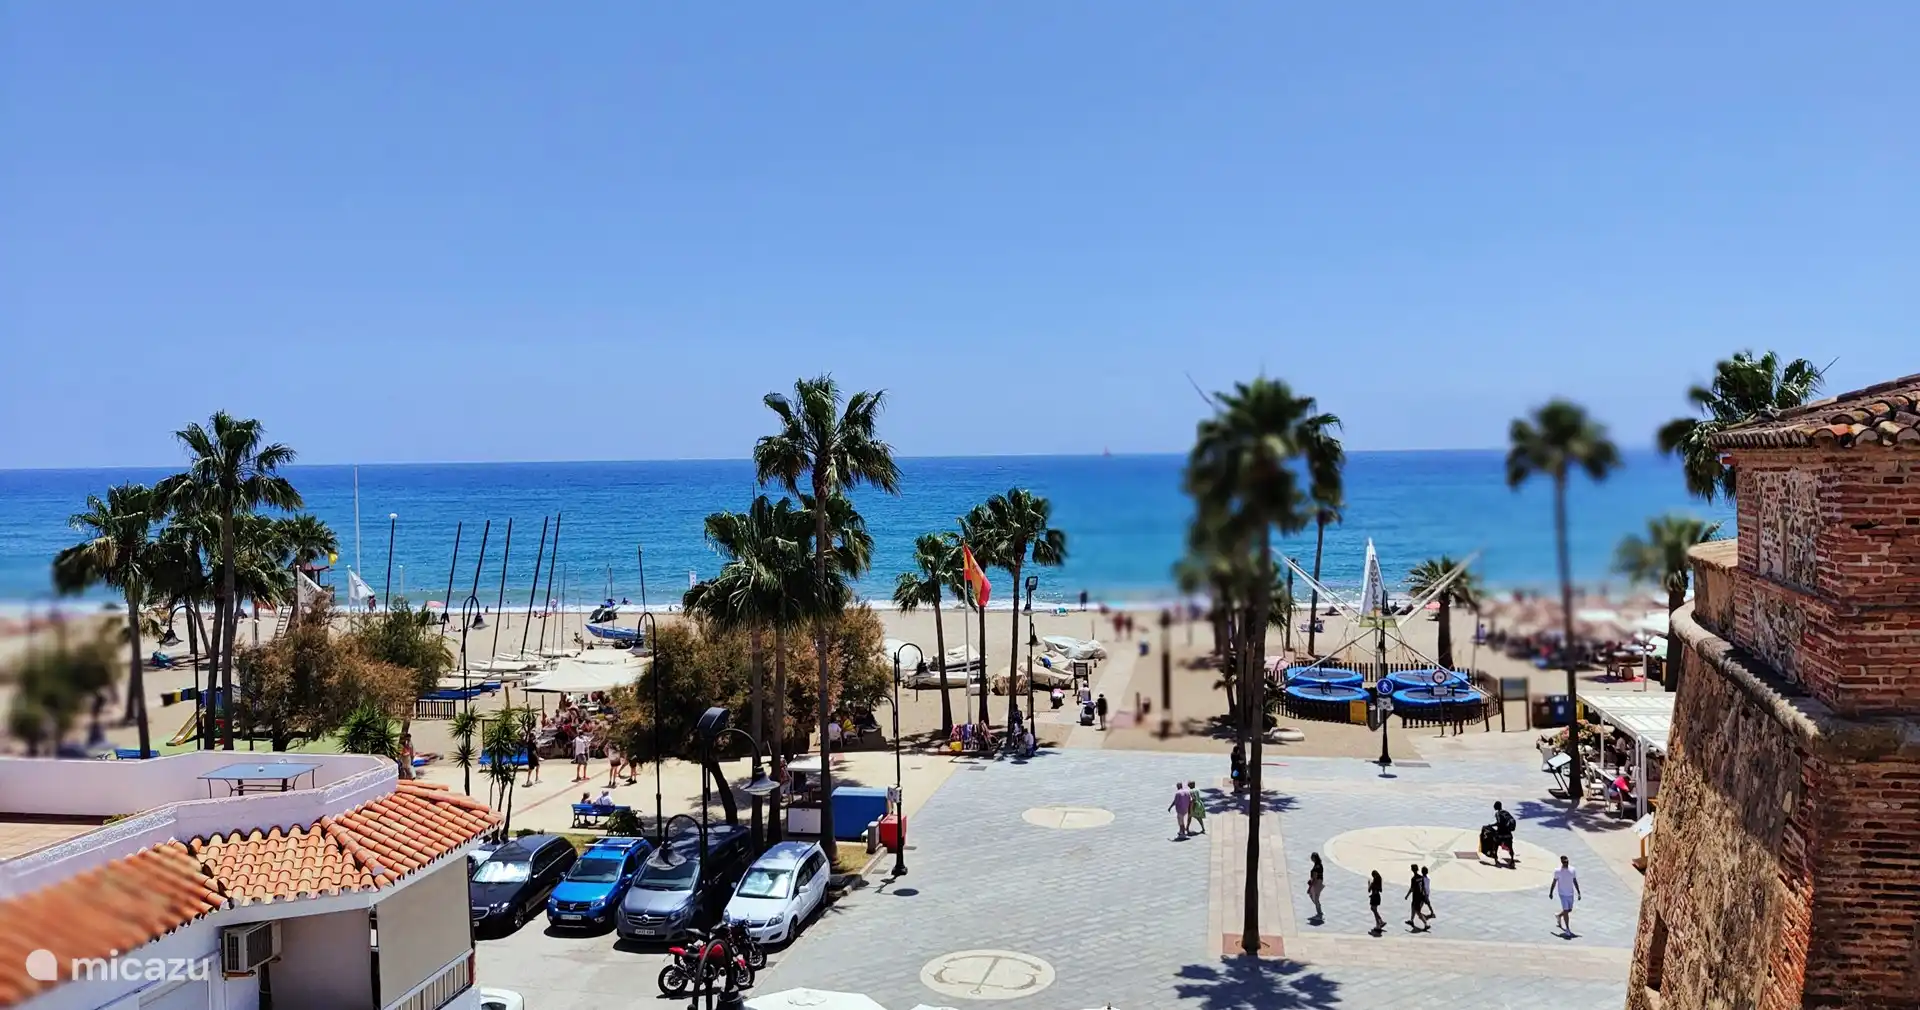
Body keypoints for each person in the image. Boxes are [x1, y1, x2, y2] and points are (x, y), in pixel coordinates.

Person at [1550, 855, 1582, 934]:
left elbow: (1574, 881)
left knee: (1569, 910)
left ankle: (1559, 916)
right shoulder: (1558, 871)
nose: (1566, 863)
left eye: (1567, 861)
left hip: (1570, 893)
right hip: (1562, 893)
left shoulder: (1572, 870)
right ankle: (1567, 929)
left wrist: (1578, 892)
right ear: (1562, 862)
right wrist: (1551, 892)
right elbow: (1554, 882)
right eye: (1564, 862)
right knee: (1566, 911)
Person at [1405, 864, 1426, 931]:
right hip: (1421, 896)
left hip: (1416, 897)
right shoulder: (1421, 877)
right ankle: (1411, 920)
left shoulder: (1413, 879)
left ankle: (1426, 924)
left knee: (1417, 911)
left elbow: (1412, 889)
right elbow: (1423, 887)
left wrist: (1407, 895)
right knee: (1413, 907)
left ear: (1412, 870)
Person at [1306, 853, 1326, 923]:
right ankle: (1319, 909)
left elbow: (1314, 878)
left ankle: (1319, 913)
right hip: (1319, 882)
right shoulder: (1319, 865)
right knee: (1314, 897)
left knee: (1315, 897)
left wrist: (1310, 887)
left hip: (1316, 883)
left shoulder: (1316, 867)